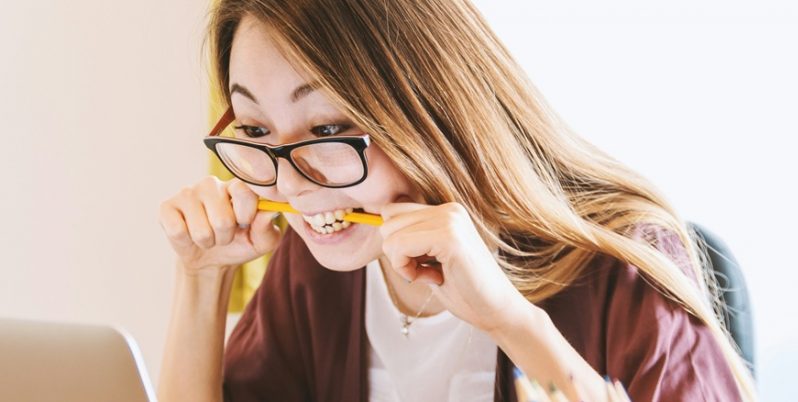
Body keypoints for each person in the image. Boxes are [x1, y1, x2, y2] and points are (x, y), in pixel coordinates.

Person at [157, 1, 756, 401]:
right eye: (258, 131)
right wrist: (200, 280)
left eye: (328, 130)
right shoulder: (319, 267)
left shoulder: (620, 269)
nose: (289, 186)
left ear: (431, 110)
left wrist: (509, 321)